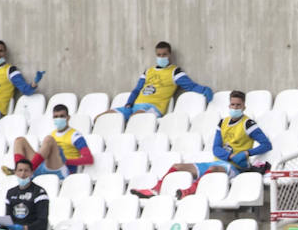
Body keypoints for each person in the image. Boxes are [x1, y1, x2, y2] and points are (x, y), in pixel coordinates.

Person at [132, 90, 271, 199]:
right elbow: (216, 148)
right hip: (221, 162)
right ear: (229, 105)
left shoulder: (248, 124)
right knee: (176, 166)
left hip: (235, 168)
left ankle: (189, 191)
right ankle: (154, 190)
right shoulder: (223, 122)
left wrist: (247, 153)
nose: (235, 107)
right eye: (233, 105)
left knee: (213, 169)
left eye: (238, 105)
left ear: (244, 107)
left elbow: (266, 144)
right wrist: (230, 155)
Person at [104, 40, 212, 121]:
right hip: (134, 106)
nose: (161, 57)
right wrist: (129, 103)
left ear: (169, 55)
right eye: (159, 55)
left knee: (135, 119)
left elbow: (190, 86)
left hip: (153, 108)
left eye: (164, 54)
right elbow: (137, 90)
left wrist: (204, 90)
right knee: (102, 118)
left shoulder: (175, 72)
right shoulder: (148, 71)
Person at [7, 103, 92, 179]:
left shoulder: (75, 135)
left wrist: (66, 161)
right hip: (45, 165)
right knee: (19, 140)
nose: (59, 119)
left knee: (49, 140)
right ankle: (19, 170)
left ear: (68, 118)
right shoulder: (52, 134)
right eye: (56, 117)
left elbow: (89, 159)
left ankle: (28, 169)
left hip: (62, 168)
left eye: (62, 116)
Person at [0, 156, 49, 230]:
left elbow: (42, 222)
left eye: (26, 171)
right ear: (15, 172)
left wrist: (24, 228)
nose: (23, 174)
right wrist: (0, 223)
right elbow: (10, 220)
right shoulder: (11, 192)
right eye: (20, 170)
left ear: (31, 173)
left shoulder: (39, 192)